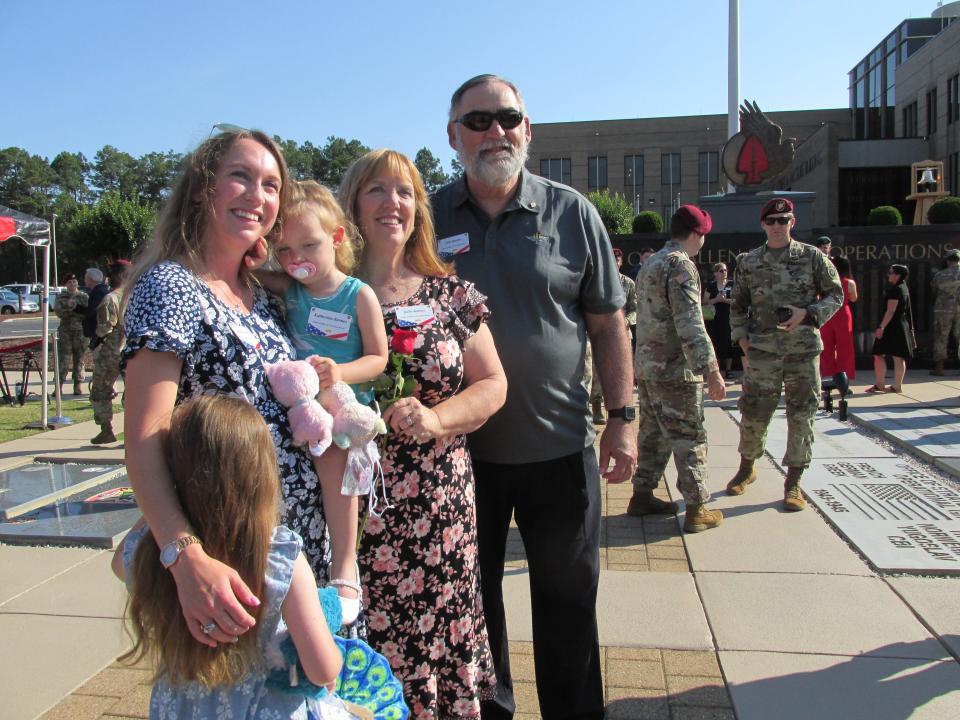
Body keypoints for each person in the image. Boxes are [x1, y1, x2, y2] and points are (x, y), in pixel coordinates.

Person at [433, 74, 637, 720]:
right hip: (458, 456)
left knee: (569, 604)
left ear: (528, 129)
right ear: (453, 137)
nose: (495, 131)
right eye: (478, 121)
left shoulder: (571, 213)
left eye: (508, 118)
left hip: (559, 447)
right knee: (471, 603)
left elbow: (608, 325)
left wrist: (623, 419)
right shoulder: (424, 217)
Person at [121, 129, 338, 651]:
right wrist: (184, 556)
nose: (257, 196)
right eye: (240, 176)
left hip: (299, 551)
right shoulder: (173, 287)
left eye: (270, 185)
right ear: (202, 188)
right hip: (228, 559)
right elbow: (144, 438)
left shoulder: (260, 294)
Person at [340, 148, 507, 719]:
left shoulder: (448, 294)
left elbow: (493, 385)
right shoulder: (322, 295)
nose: (393, 203)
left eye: (405, 191)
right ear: (354, 207)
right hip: (353, 509)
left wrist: (437, 419)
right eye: (378, 191)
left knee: (437, 637)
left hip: (438, 508)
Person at [112, 394, 342, 719]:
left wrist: (167, 500)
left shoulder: (156, 554)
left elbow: (118, 562)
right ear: (261, 474)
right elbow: (321, 668)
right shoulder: (279, 556)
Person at [255, 179, 389, 624]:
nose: (296, 261)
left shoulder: (357, 294)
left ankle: (345, 563)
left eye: (308, 246)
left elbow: (379, 358)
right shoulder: (289, 289)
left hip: (344, 407)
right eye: (286, 251)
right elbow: (250, 271)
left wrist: (340, 372)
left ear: (336, 238)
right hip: (300, 404)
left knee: (334, 458)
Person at [727, 197, 842, 512]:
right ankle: (747, 466)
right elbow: (737, 305)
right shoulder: (748, 262)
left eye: (784, 220)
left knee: (802, 414)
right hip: (763, 351)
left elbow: (836, 294)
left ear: (793, 223)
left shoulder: (812, 257)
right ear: (763, 224)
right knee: (753, 411)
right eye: (772, 221)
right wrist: (742, 342)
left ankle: (794, 482)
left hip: (802, 351)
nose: (778, 226)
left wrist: (808, 313)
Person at [627, 206, 725, 532]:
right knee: (689, 436)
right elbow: (690, 322)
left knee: (653, 434)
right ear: (697, 234)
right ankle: (697, 510)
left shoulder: (651, 263)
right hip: (675, 370)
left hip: (649, 367)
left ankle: (642, 494)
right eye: (703, 237)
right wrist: (710, 369)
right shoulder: (681, 265)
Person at [90, 260, 130, 444]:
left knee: (100, 390)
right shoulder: (137, 296)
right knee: (133, 393)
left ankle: (106, 429)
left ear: (117, 276)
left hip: (112, 351)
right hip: (134, 351)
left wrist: (94, 344)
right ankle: (133, 433)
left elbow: (105, 328)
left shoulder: (111, 298)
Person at [867, 264, 915, 393]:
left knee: (878, 354)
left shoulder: (895, 290)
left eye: (890, 272)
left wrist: (881, 327)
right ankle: (896, 386)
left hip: (891, 327)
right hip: (901, 325)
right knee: (898, 356)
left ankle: (880, 384)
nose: (888, 275)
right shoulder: (904, 287)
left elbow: (890, 311)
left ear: (897, 275)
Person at [819, 254, 858, 381]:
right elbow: (853, 298)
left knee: (826, 346)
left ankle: (828, 376)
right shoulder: (849, 282)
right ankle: (844, 378)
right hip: (843, 314)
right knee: (845, 347)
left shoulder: (824, 281)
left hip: (827, 313)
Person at [53, 273, 88, 396]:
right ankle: (59, 385)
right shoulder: (61, 297)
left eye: (74, 281)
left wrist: (75, 309)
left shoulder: (83, 296)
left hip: (80, 331)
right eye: (69, 282)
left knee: (79, 359)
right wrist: (69, 308)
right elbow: (58, 312)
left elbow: (87, 312)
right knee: (64, 358)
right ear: (66, 284)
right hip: (65, 331)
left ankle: (77, 385)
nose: (72, 284)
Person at [929, 250, 960, 376]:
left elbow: (933, 290)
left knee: (941, 336)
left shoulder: (940, 275)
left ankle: (939, 367)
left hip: (943, 308)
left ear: (948, 260)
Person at [703, 262, 735, 380]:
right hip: (714, 318)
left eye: (725, 270)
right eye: (721, 271)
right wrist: (716, 299)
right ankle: (718, 370)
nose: (724, 273)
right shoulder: (711, 286)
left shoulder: (732, 284)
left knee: (728, 343)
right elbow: (704, 301)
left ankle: (728, 369)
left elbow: (737, 300)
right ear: (715, 273)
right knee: (716, 343)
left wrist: (725, 300)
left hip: (729, 317)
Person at [614, 248, 638, 352]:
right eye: (611, 259)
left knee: (624, 366)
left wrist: (627, 320)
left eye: (617, 260)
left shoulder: (629, 283)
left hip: (623, 332)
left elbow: (635, 308)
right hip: (602, 333)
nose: (614, 263)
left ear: (621, 262)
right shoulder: (597, 283)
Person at [79, 267, 110, 343]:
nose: (84, 280)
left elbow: (91, 311)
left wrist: (76, 307)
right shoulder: (102, 290)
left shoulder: (99, 292)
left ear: (91, 279)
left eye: (85, 278)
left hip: (99, 332)